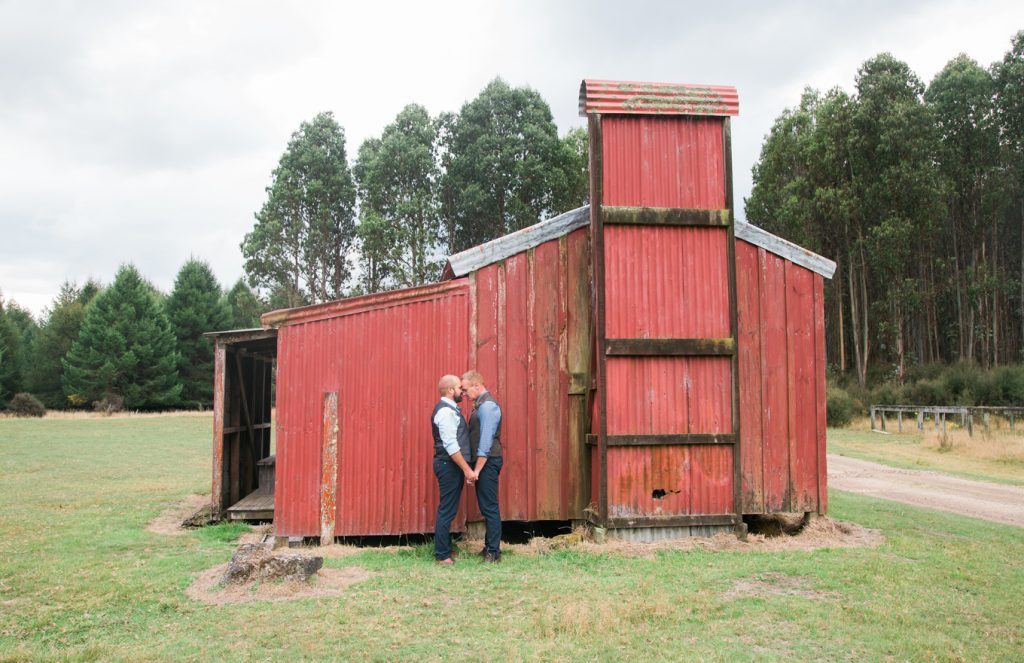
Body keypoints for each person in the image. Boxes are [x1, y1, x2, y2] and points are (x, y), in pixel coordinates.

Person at [431, 374, 476, 565]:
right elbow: (450, 445)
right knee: (447, 510)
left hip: (451, 465)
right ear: (450, 390)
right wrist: (467, 469)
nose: (462, 392)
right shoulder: (446, 413)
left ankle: (445, 549)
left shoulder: (451, 410)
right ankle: (442, 555)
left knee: (448, 508)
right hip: (448, 465)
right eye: (459, 388)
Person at [462, 370, 503, 563]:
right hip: (484, 462)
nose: (464, 394)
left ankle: (493, 552)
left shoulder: (488, 407)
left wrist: (476, 470)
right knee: (486, 505)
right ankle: (489, 546)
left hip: (488, 462)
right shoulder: (479, 405)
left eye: (466, 389)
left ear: (477, 386)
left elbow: (486, 442)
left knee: (489, 507)